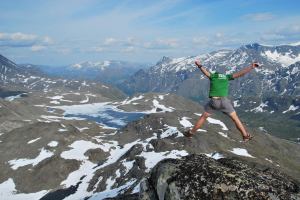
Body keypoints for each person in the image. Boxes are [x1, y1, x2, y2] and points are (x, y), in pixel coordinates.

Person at [184, 60, 260, 142]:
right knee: (236, 119)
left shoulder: (213, 76)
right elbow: (241, 73)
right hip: (225, 101)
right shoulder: (226, 77)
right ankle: (245, 136)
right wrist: (251, 67)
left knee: (203, 117)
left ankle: (191, 133)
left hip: (214, 102)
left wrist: (199, 65)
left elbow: (204, 71)